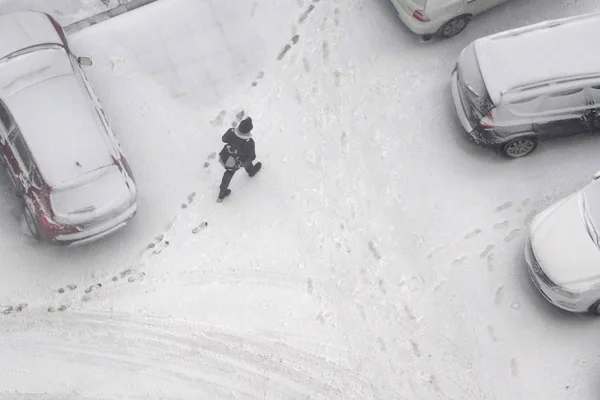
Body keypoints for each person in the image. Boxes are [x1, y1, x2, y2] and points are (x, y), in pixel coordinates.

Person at [217, 117, 262, 201]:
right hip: (237, 161)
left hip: (225, 156)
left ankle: (222, 193)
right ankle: (251, 172)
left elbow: (224, 139)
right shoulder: (249, 142)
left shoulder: (231, 131)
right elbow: (252, 156)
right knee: (247, 163)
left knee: (228, 173)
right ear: (249, 130)